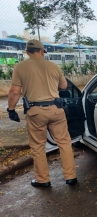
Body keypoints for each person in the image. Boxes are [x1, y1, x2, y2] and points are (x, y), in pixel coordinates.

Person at [7, 39, 77, 188]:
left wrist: (11, 109)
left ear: (27, 52)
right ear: (42, 51)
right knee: (64, 143)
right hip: (56, 109)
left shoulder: (20, 67)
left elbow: (14, 92)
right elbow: (64, 86)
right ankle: (70, 177)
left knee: (38, 146)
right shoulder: (53, 66)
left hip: (35, 112)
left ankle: (43, 180)